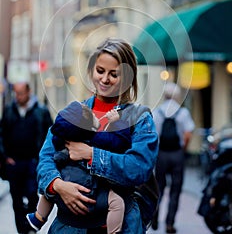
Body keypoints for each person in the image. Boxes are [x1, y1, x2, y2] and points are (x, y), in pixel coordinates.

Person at [36, 37, 159, 234]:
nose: (104, 79)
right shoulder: (75, 111)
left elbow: (139, 167)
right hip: (70, 226)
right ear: (92, 69)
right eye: (100, 71)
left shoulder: (139, 118)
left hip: (121, 225)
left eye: (114, 74)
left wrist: (92, 154)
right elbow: (46, 156)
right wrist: (57, 185)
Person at [26, 103, 131, 234]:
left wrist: (56, 183)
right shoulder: (97, 137)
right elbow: (120, 142)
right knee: (117, 203)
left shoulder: (64, 135)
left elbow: (134, 167)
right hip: (91, 191)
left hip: (69, 180)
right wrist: (118, 124)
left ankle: (38, 217)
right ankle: (113, 230)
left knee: (49, 193)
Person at [0, 82, 53, 234]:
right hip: (14, 163)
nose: (19, 97)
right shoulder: (10, 110)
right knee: (16, 200)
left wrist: (44, 159)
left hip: (33, 162)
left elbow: (50, 135)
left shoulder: (41, 111)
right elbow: (2, 134)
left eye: (21, 93)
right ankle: (22, 230)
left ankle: (30, 228)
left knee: (32, 196)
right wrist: (5, 157)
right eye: (16, 93)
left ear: (28, 91)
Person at [151, 82, 195, 234]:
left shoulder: (158, 112)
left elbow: (153, 135)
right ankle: (170, 223)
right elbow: (188, 133)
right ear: (176, 96)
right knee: (175, 190)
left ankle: (154, 218)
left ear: (165, 95)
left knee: (159, 188)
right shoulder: (183, 113)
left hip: (161, 154)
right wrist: (183, 148)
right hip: (177, 154)